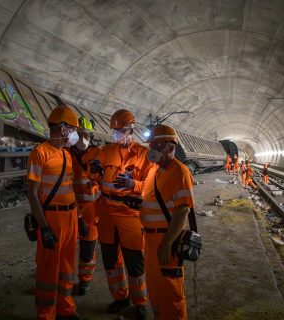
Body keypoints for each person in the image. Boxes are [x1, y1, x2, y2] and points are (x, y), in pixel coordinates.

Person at [89, 109, 152, 319]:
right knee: (110, 260)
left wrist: (133, 184)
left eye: (120, 130)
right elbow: (94, 178)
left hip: (129, 213)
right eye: (114, 130)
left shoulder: (143, 154)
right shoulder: (106, 151)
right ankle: (120, 297)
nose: (116, 134)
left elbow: (152, 187)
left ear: (131, 129)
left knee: (134, 261)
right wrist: (93, 171)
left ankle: (140, 303)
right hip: (106, 213)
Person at [26, 106, 87, 320]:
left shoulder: (66, 155)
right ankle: (46, 314)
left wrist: (79, 217)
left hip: (70, 217)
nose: (75, 134)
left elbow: (69, 189)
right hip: (51, 218)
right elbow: (32, 194)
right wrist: (44, 227)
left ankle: (66, 309)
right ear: (62, 129)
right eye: (73, 129)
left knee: (67, 265)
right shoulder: (39, 153)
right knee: (48, 268)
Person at [140, 125, 197, 320]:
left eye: (157, 145)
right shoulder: (154, 172)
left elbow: (183, 211)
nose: (151, 149)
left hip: (166, 241)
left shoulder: (179, 172)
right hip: (150, 241)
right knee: (156, 289)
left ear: (170, 147)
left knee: (171, 292)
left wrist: (167, 243)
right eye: (151, 145)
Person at [70, 116, 101, 296]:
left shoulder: (98, 154)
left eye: (86, 135)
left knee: (88, 250)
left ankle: (84, 282)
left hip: (91, 212)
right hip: (70, 210)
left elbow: (106, 180)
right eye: (78, 134)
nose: (82, 139)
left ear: (91, 136)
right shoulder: (66, 153)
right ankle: (64, 281)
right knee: (67, 250)